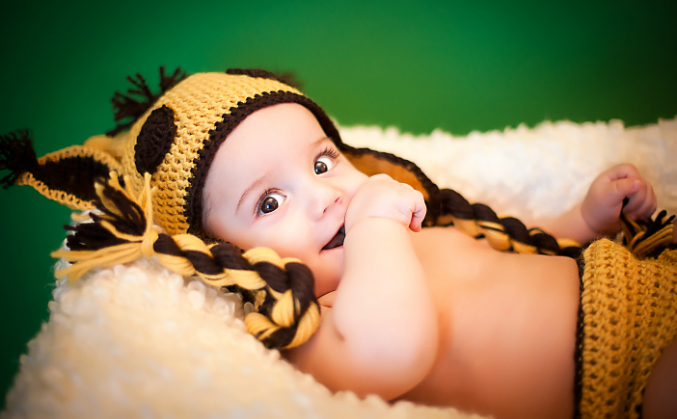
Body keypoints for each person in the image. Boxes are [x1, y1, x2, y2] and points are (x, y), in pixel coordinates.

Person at [2, 69, 675, 419]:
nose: (324, 195)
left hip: (638, 279)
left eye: (323, 162)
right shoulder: (312, 326)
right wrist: (377, 226)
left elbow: (512, 253)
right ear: (228, 258)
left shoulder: (408, 228)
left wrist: (582, 220)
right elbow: (396, 352)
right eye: (269, 203)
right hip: (625, 379)